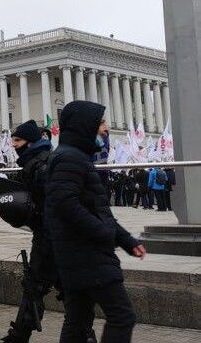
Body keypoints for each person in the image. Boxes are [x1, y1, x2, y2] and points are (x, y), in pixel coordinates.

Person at [45, 101, 145, 342]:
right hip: (87, 252)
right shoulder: (71, 158)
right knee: (122, 315)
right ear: (84, 125)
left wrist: (126, 240)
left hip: (77, 252)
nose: (106, 128)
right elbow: (65, 203)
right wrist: (103, 233)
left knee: (77, 321)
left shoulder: (74, 157)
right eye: (100, 122)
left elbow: (99, 210)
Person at [2, 119, 57, 342]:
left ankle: (20, 336)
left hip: (49, 235)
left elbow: (49, 202)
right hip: (50, 233)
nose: (14, 144)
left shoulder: (40, 164)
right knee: (68, 290)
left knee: (34, 286)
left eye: (18, 140)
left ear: (30, 141)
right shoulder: (35, 161)